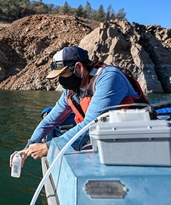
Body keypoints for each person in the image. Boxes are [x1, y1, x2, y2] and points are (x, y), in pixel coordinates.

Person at [10, 45, 149, 166]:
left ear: (78, 68)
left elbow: (92, 124)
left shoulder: (109, 78)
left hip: (133, 140)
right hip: (105, 140)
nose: (60, 80)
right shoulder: (71, 90)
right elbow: (51, 120)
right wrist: (27, 148)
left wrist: (49, 147)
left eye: (63, 74)